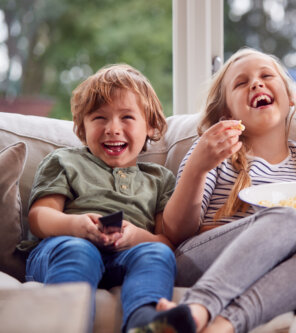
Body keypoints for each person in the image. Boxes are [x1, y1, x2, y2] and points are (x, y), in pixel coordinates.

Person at [157, 48, 296, 333]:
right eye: (241, 83)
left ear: (290, 97)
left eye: (266, 76)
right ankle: (197, 308)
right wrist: (198, 168)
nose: (256, 84)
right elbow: (176, 231)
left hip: (280, 267)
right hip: (203, 261)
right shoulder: (214, 154)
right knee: (285, 218)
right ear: (227, 112)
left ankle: (223, 325)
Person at [25, 64, 196, 333]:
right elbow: (39, 218)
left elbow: (166, 240)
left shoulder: (159, 178)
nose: (112, 129)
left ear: (150, 126)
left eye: (126, 117)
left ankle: (143, 319)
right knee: (77, 250)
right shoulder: (65, 161)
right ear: (82, 128)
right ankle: (65, 323)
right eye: (99, 118)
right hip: (62, 250)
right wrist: (76, 226)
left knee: (157, 253)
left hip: (125, 256)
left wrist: (135, 236)